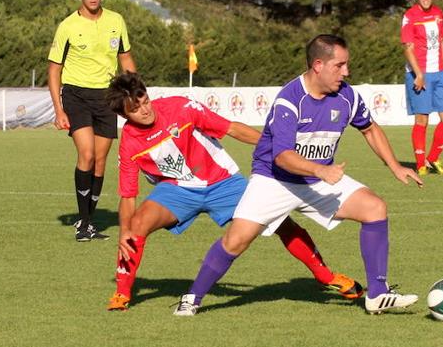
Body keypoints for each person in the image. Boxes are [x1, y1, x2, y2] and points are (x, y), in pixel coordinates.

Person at [175, 34, 423, 316]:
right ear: (318, 65)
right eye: (340, 65)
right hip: (274, 180)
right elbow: (282, 156)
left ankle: (377, 294)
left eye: (346, 65)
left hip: (317, 179)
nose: (346, 72)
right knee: (236, 240)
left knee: (375, 208)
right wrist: (320, 169)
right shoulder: (289, 100)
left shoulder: (347, 95)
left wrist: (395, 166)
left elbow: (370, 128)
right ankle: (192, 297)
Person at [103, 72, 364, 312]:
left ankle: (326, 276)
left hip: (223, 182)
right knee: (135, 226)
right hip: (178, 189)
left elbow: (230, 128)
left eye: (145, 101)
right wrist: (124, 232)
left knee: (282, 222)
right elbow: (128, 194)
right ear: (125, 116)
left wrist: (273, 143)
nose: (145, 110)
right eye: (135, 109)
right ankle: (122, 294)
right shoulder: (128, 142)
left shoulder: (180, 107)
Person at [48, 0, 137, 241]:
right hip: (76, 95)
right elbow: (54, 70)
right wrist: (59, 109)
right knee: (86, 154)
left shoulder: (116, 21)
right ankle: (84, 222)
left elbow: (126, 59)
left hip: (107, 98)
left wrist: (135, 93)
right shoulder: (67, 26)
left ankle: (89, 221)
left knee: (100, 162)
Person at [401, 0, 443, 176]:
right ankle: (420, 164)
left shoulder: (438, 14)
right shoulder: (409, 16)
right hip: (420, 73)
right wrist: (418, 74)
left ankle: (433, 158)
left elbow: (441, 44)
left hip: (439, 73)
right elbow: (408, 48)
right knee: (422, 120)